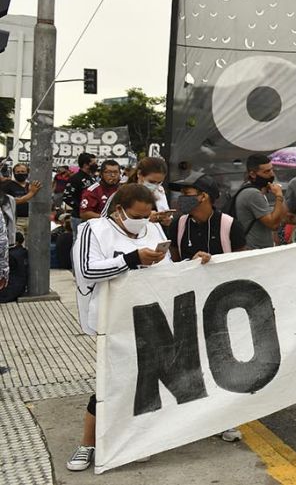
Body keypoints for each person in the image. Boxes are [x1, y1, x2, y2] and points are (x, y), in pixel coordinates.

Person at [66, 184, 177, 471]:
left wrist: (194, 263)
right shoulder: (94, 229)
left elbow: (170, 269)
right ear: (119, 210)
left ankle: (133, 438)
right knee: (110, 380)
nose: (142, 221)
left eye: (146, 215)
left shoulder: (152, 229)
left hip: (149, 315)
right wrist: (131, 259)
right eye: (136, 215)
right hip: (111, 319)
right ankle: (87, 444)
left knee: (143, 381)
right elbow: (88, 270)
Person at [167, 172, 247, 442]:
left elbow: (243, 263)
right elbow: (176, 262)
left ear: (204, 197)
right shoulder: (178, 225)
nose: (181, 199)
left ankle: (226, 418)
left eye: (187, 193)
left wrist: (213, 263)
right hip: (188, 303)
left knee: (222, 361)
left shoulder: (229, 225)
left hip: (222, 305)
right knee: (189, 360)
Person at [234, 154, 288, 249]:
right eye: (267, 171)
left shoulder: (258, 191)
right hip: (255, 251)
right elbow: (273, 224)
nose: (272, 174)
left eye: (272, 169)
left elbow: (281, 217)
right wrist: (279, 196)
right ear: (253, 174)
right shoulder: (253, 194)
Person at [0, 162, 43, 236]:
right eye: (18, 172)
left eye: (23, 171)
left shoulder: (31, 185)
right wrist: (31, 193)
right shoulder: (7, 185)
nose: (20, 173)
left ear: (27, 172)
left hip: (32, 219)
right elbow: (12, 201)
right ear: (14, 173)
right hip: (16, 220)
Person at [62, 153, 97, 227]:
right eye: (93, 163)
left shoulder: (92, 178)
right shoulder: (75, 178)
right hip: (78, 217)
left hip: (91, 216)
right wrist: (80, 207)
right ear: (85, 165)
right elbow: (66, 197)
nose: (96, 165)